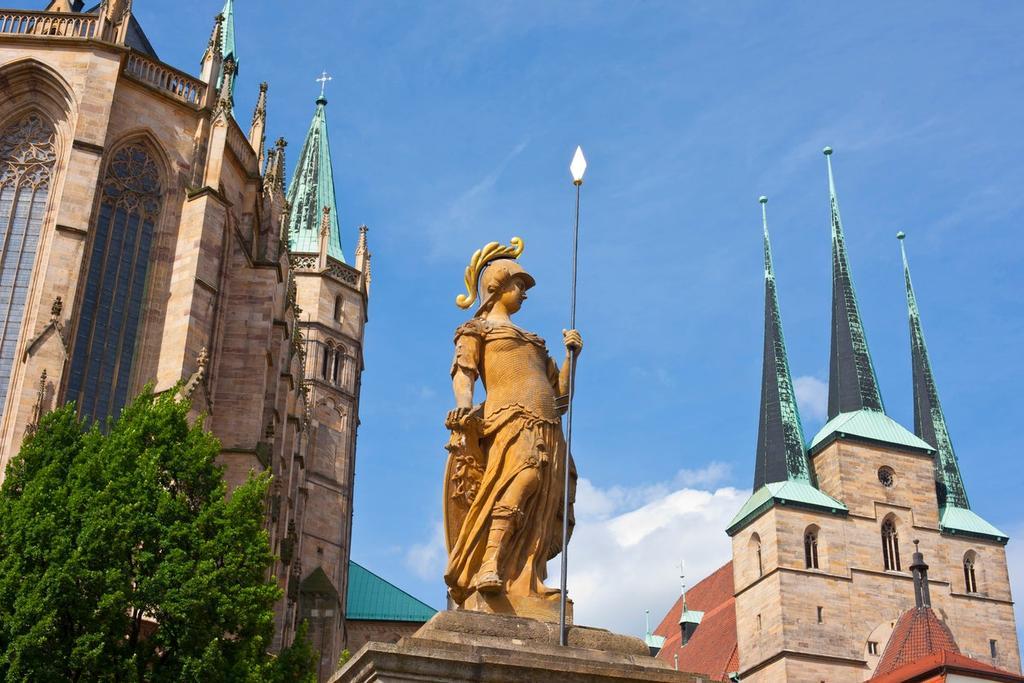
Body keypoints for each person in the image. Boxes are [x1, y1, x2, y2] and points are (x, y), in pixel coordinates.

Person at [443, 247, 581, 607]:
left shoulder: (534, 340)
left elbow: (561, 396)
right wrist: (464, 407)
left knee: (543, 501)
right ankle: (489, 563)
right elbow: (464, 371)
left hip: (548, 424)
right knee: (526, 479)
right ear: (496, 285)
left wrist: (571, 357)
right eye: (519, 284)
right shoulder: (477, 329)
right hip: (510, 418)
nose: (524, 292)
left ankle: (527, 578)